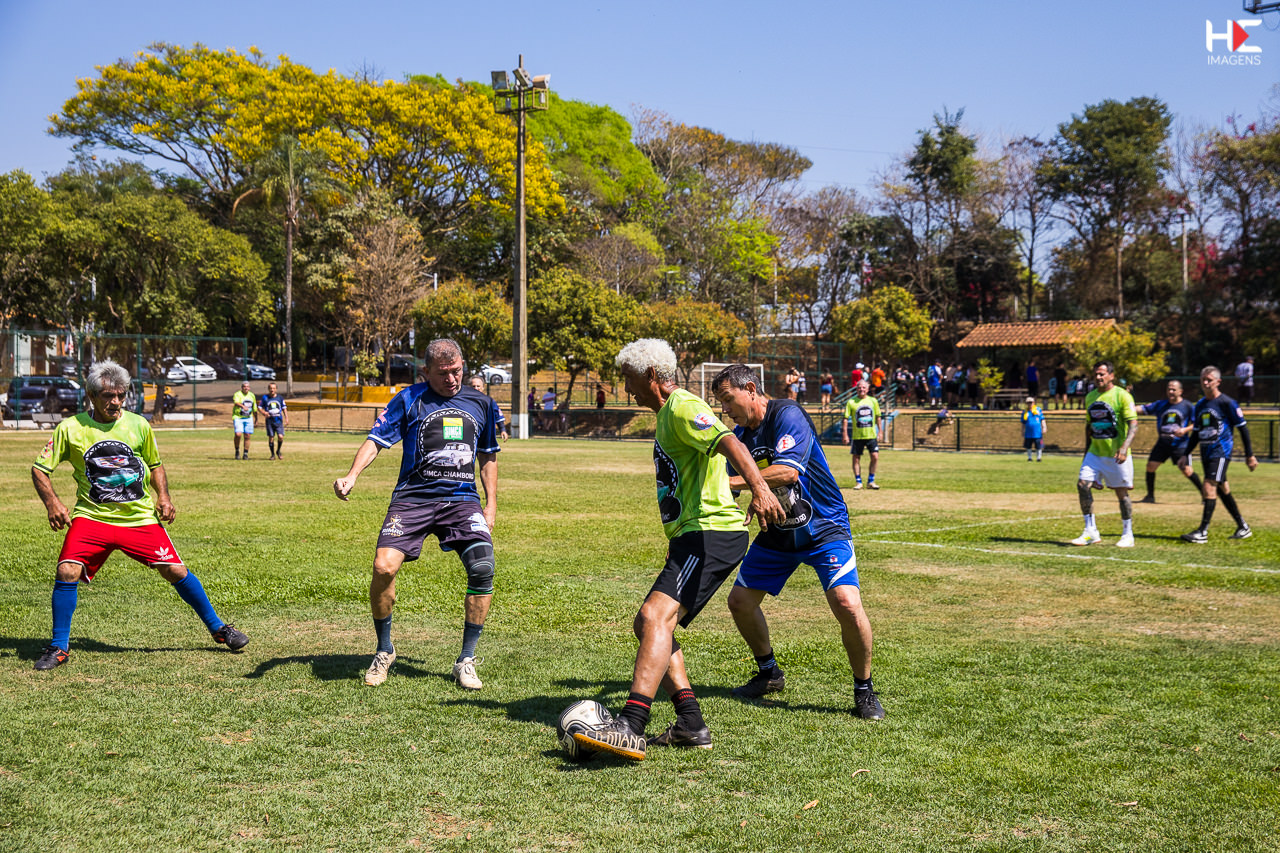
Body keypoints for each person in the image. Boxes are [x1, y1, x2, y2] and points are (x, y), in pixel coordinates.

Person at [570, 339, 783, 762]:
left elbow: (731, 443)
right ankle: (690, 723)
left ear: (651, 375)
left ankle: (631, 724)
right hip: (693, 535)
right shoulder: (669, 413)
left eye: (629, 380)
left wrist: (760, 488)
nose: (627, 389)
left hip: (711, 533)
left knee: (655, 617)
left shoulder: (683, 405)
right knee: (649, 625)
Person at [29, 360, 249, 671]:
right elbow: (39, 469)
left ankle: (219, 628)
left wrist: (164, 496)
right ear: (91, 396)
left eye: (121, 395)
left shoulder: (139, 425)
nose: (116, 402)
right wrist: (52, 503)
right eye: (108, 396)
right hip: (92, 517)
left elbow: (155, 465)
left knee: (175, 570)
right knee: (67, 570)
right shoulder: (70, 428)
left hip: (139, 519)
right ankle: (59, 646)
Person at [712, 364, 885, 721]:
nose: (725, 410)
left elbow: (788, 471)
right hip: (777, 532)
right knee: (740, 602)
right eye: (721, 404)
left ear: (750, 389)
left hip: (824, 528)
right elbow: (729, 492)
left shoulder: (787, 414)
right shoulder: (739, 438)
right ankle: (769, 673)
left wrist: (733, 483)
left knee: (847, 603)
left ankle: (864, 690)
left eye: (728, 399)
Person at [333, 339, 500, 690]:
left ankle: (466, 660)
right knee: (383, 567)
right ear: (426, 372)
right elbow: (376, 440)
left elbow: (488, 455)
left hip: (461, 501)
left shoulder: (481, 403)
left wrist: (491, 504)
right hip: (412, 499)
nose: (452, 379)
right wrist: (352, 475)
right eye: (443, 373)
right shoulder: (409, 399)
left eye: (457, 371)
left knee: (483, 567)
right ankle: (384, 650)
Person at [1179, 366, 1258, 543]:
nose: (1205, 383)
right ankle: (1243, 527)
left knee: (1209, 485)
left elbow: (1243, 429)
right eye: (1203, 380)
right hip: (1206, 452)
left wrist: (1250, 455)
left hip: (1221, 452)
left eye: (1209, 380)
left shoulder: (1227, 403)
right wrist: (1186, 454)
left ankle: (1202, 531)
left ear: (1218, 382)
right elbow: (1196, 433)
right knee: (1223, 489)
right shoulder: (1200, 405)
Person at [1071, 362, 1138, 548]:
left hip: (1116, 454)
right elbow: (1089, 426)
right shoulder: (1090, 396)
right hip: (1095, 452)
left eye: (1102, 374)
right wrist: (1086, 453)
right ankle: (1090, 531)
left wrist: (1124, 448)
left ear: (1111, 375)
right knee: (1082, 485)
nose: (1098, 377)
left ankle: (1128, 534)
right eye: (1096, 374)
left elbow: (1133, 425)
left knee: (1121, 493)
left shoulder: (1122, 395)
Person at [1135, 380, 1201, 503]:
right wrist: (1127, 408)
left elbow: (1197, 423)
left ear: (1180, 391)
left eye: (1173, 389)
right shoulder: (1161, 404)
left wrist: (1185, 430)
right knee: (1150, 466)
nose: (1170, 391)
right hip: (1163, 443)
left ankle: (1205, 495)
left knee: (1187, 471)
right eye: (1169, 389)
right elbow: (1142, 409)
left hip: (1180, 444)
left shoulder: (1187, 406)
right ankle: (1150, 496)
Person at [841, 380, 882, 490]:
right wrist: (845, 434)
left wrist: (880, 431)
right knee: (856, 458)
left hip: (871, 435)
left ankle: (871, 481)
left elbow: (878, 416)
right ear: (856, 389)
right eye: (859, 387)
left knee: (875, 456)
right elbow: (845, 419)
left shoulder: (873, 401)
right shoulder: (851, 402)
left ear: (867, 389)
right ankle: (858, 481)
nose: (861, 389)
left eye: (864, 387)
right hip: (857, 436)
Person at [469, 374, 508, 441]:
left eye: (478, 386)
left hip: (485, 435)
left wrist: (502, 430)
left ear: (483, 388)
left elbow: (498, 416)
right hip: (470, 435)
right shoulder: (465, 401)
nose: (476, 388)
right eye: (473, 386)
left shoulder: (489, 402)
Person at [259, 381, 289, 460]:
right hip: (269, 421)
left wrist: (286, 418)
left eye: (273, 388)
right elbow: (259, 407)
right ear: (268, 389)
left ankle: (278, 451)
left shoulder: (280, 398)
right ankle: (272, 455)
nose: (272, 390)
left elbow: (284, 408)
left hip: (278, 421)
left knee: (280, 436)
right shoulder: (265, 397)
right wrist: (264, 413)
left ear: (276, 389)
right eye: (270, 388)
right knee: (271, 437)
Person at [232, 380, 257, 459]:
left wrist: (256, 418)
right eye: (244, 387)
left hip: (248, 418)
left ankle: (245, 454)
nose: (246, 388)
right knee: (238, 434)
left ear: (249, 388)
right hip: (238, 417)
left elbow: (254, 408)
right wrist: (243, 406)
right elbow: (236, 402)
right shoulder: (237, 394)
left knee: (247, 435)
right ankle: (237, 450)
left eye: (247, 387)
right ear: (242, 388)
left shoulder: (252, 395)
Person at [1021, 396, 1047, 462]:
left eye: (1031, 402)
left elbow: (1042, 419)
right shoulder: (1025, 412)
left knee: (1038, 446)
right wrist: (1022, 431)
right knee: (1028, 446)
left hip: (1037, 432)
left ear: (1033, 402)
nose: (1030, 404)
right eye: (1028, 403)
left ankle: (1039, 458)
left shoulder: (1038, 410)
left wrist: (1044, 427)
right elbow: (1023, 423)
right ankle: (1029, 457)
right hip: (1028, 433)